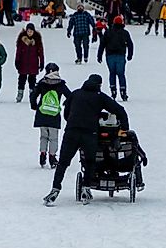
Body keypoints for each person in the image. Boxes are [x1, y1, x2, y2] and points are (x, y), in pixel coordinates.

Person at [43, 74, 129, 206]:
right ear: (99, 85)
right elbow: (120, 110)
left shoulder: (76, 94)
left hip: (72, 131)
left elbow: (67, 113)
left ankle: (55, 189)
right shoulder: (100, 97)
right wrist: (124, 129)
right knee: (89, 162)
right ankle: (86, 189)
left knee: (63, 163)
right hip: (90, 133)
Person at [30, 62, 72, 168]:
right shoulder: (61, 84)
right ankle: (52, 157)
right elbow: (70, 96)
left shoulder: (42, 82)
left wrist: (34, 105)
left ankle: (42, 154)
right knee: (53, 137)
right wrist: (66, 105)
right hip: (54, 113)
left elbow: (33, 95)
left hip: (42, 112)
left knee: (43, 136)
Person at [97, 15, 134, 101]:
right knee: (121, 74)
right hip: (121, 55)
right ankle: (123, 91)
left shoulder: (108, 32)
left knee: (112, 73)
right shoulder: (125, 33)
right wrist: (130, 55)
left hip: (110, 55)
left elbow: (102, 44)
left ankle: (113, 91)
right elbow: (130, 44)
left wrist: (99, 55)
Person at [15, 23, 44, 102]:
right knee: (21, 80)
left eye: (31, 31)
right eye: (28, 31)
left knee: (32, 80)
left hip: (33, 64)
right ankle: (20, 94)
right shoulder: (22, 39)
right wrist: (17, 61)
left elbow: (40, 52)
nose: (30, 33)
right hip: (23, 63)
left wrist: (42, 62)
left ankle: (32, 94)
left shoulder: (37, 40)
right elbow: (18, 52)